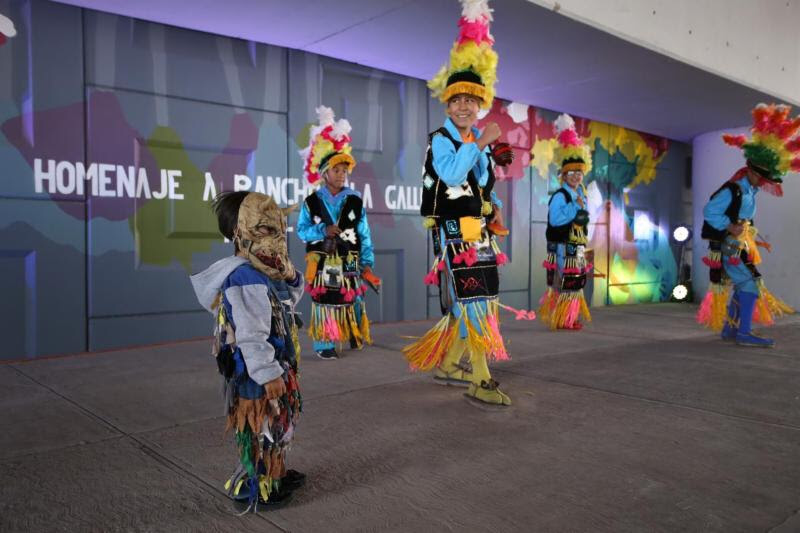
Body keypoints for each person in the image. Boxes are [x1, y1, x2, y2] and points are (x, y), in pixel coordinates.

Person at [403, 0, 517, 406]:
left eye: (472, 99)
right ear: (447, 104)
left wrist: (494, 203)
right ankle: (480, 378)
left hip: (480, 231)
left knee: (480, 298)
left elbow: (479, 183)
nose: (465, 105)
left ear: (480, 102)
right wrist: (481, 142)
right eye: (458, 100)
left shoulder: (473, 143)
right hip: (455, 232)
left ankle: (451, 364)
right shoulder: (442, 140)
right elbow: (451, 175)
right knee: (473, 298)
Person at [190, 191, 305, 511]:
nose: (277, 238)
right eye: (266, 230)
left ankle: (275, 476)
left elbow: (288, 301)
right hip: (255, 373)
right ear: (239, 234)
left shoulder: (265, 270)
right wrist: (267, 373)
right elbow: (250, 334)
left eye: (279, 229)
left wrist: (290, 274)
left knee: (279, 426)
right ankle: (252, 486)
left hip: (275, 362)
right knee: (260, 428)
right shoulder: (244, 276)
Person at [697, 103, 798, 347]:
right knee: (750, 285)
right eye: (764, 178)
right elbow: (710, 210)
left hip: (740, 244)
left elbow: (745, 220)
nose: (766, 183)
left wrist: (753, 237)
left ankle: (731, 330)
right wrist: (730, 227)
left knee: (745, 285)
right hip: (729, 245)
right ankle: (742, 333)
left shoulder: (750, 191)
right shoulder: (734, 189)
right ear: (752, 172)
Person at [297, 106, 381, 360]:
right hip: (323, 261)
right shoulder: (312, 202)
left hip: (350, 259)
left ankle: (354, 333)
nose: (342, 174)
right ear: (324, 174)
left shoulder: (355, 199)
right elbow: (302, 231)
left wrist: (367, 262)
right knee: (326, 301)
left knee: (353, 298)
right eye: (337, 170)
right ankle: (326, 344)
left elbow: (364, 232)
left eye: (345, 170)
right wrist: (322, 229)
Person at [537, 114, 593, 331]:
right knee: (566, 281)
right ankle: (564, 318)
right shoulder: (561, 196)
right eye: (571, 172)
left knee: (575, 279)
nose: (575, 176)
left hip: (576, 244)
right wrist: (575, 206)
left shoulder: (581, 193)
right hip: (562, 245)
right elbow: (555, 219)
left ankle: (568, 316)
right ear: (563, 175)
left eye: (578, 172)